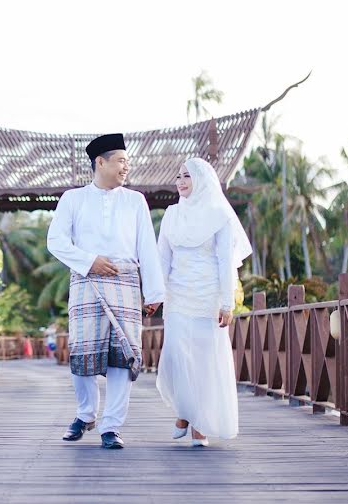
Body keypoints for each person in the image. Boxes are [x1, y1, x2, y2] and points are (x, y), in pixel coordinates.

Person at [47, 133, 165, 449]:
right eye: (121, 161)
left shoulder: (135, 200)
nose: (126, 167)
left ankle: (111, 426)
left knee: (122, 356)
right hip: (86, 281)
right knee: (83, 350)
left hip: (126, 282)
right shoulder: (72, 199)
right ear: (101, 162)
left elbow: (147, 247)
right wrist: (89, 261)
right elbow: (55, 241)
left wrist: (153, 292)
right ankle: (86, 414)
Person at [151, 157, 252, 447]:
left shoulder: (219, 214)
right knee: (175, 356)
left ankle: (199, 424)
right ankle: (184, 408)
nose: (180, 181)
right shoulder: (171, 214)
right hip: (178, 295)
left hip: (208, 296)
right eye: (178, 176)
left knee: (205, 362)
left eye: (187, 176)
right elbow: (162, 257)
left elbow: (224, 263)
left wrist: (227, 304)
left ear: (202, 181)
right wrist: (158, 295)